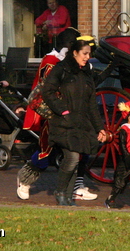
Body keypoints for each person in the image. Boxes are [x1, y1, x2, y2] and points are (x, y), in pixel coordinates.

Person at [17, 28, 98, 202]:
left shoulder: (78, 65)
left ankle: (75, 187)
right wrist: (64, 109)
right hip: (53, 114)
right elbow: (49, 91)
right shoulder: (52, 61)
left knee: (79, 152)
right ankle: (25, 180)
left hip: (75, 114)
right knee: (46, 151)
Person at [42, 38, 109, 206]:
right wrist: (62, 109)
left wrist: (99, 128)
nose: (87, 57)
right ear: (75, 53)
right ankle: (61, 192)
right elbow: (47, 91)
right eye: (84, 54)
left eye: (89, 54)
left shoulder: (86, 73)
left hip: (81, 123)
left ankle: (68, 196)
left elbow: (92, 104)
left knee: (76, 159)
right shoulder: (62, 69)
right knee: (71, 157)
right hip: (63, 122)